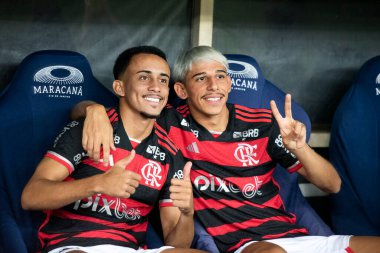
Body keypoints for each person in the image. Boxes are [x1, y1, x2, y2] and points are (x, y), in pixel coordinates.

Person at [78, 46, 380, 253]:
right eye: (201, 78)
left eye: (220, 76)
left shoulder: (263, 122)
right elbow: (116, 114)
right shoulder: (168, 122)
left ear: (229, 83)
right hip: (248, 245)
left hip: (297, 237)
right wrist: (92, 110)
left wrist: (301, 149)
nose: (213, 85)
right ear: (182, 90)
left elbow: (333, 184)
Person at [21, 46, 207, 253]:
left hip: (131, 248)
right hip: (72, 245)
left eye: (163, 80)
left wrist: (187, 213)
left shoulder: (170, 152)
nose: (156, 87)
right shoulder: (90, 128)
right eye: (144, 78)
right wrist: (98, 183)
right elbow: (31, 196)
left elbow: (177, 243)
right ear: (120, 88)